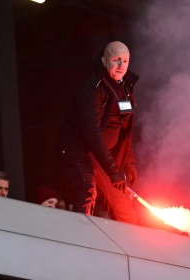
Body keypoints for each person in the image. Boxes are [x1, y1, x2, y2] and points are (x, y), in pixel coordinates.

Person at [59, 41, 139, 224]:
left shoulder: (125, 88)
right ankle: (84, 237)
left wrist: (129, 162)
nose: (120, 66)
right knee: (88, 190)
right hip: (81, 149)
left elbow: (125, 131)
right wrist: (114, 171)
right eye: (115, 60)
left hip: (104, 155)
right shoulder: (91, 88)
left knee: (124, 205)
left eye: (125, 61)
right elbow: (92, 133)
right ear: (104, 61)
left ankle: (130, 248)